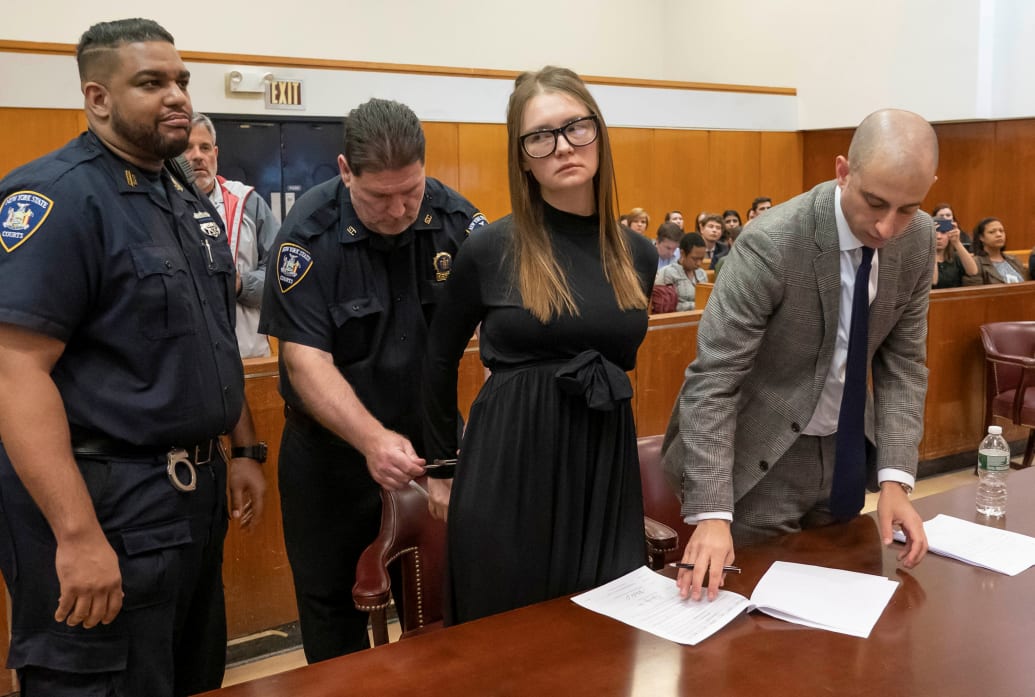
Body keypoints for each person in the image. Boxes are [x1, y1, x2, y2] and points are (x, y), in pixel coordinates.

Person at [0, 18, 265, 697]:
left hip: (189, 502)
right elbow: (14, 372)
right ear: (98, 98)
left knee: (190, 675)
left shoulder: (182, 197)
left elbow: (208, 339)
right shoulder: (58, 197)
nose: (176, 95)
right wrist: (78, 534)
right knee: (101, 683)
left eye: (180, 79)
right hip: (106, 503)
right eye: (151, 83)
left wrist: (242, 450)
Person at [662, 109, 935, 603]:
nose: (887, 226)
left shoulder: (917, 243)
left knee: (835, 613)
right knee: (749, 628)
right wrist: (712, 513)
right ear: (842, 171)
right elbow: (714, 378)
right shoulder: (771, 243)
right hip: (755, 458)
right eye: (875, 202)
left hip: (846, 453)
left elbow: (903, 366)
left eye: (908, 209)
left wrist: (896, 478)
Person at [420, 66, 657, 625]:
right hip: (509, 467)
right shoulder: (491, 248)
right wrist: (442, 467)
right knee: (509, 642)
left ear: (599, 133)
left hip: (602, 464)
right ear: (522, 157)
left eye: (577, 127)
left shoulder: (637, 255)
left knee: (605, 631)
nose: (563, 147)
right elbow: (436, 358)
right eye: (540, 137)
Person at [258, 97, 486, 663]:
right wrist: (371, 440)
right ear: (344, 170)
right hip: (331, 456)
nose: (399, 210)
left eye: (411, 190)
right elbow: (305, 360)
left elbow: (507, 337)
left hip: (436, 446)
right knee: (330, 607)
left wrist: (454, 455)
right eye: (379, 196)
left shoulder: (458, 223)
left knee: (444, 600)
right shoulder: (307, 237)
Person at [185, 113, 280, 357]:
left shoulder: (248, 202)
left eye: (204, 147)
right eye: (187, 148)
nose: (197, 156)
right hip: (189, 361)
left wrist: (241, 284)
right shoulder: (159, 207)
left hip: (247, 356)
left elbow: (281, 274)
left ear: (215, 154)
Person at [963, 217, 1026, 285]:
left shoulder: (1014, 260)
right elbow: (975, 292)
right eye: (992, 232)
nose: (999, 235)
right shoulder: (975, 264)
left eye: (1001, 231)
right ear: (981, 237)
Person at [655, 232, 708, 311]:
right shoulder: (667, 273)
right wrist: (698, 306)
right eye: (695, 259)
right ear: (682, 253)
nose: (699, 263)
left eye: (701, 258)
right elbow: (665, 305)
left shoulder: (702, 274)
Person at [932, 216, 977, 288]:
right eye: (935, 232)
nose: (939, 237)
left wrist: (957, 242)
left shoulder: (954, 256)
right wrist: (930, 246)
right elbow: (933, 281)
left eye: (943, 232)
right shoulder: (921, 258)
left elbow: (973, 271)